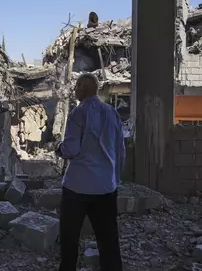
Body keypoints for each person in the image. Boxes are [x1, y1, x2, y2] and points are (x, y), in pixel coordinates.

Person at [55, 73, 125, 271]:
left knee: (70, 239)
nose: (75, 90)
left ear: (83, 88)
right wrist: (114, 180)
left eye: (77, 86)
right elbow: (121, 151)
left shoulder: (79, 112)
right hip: (106, 188)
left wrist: (59, 148)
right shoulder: (112, 113)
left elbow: (71, 149)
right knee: (109, 240)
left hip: (77, 187)